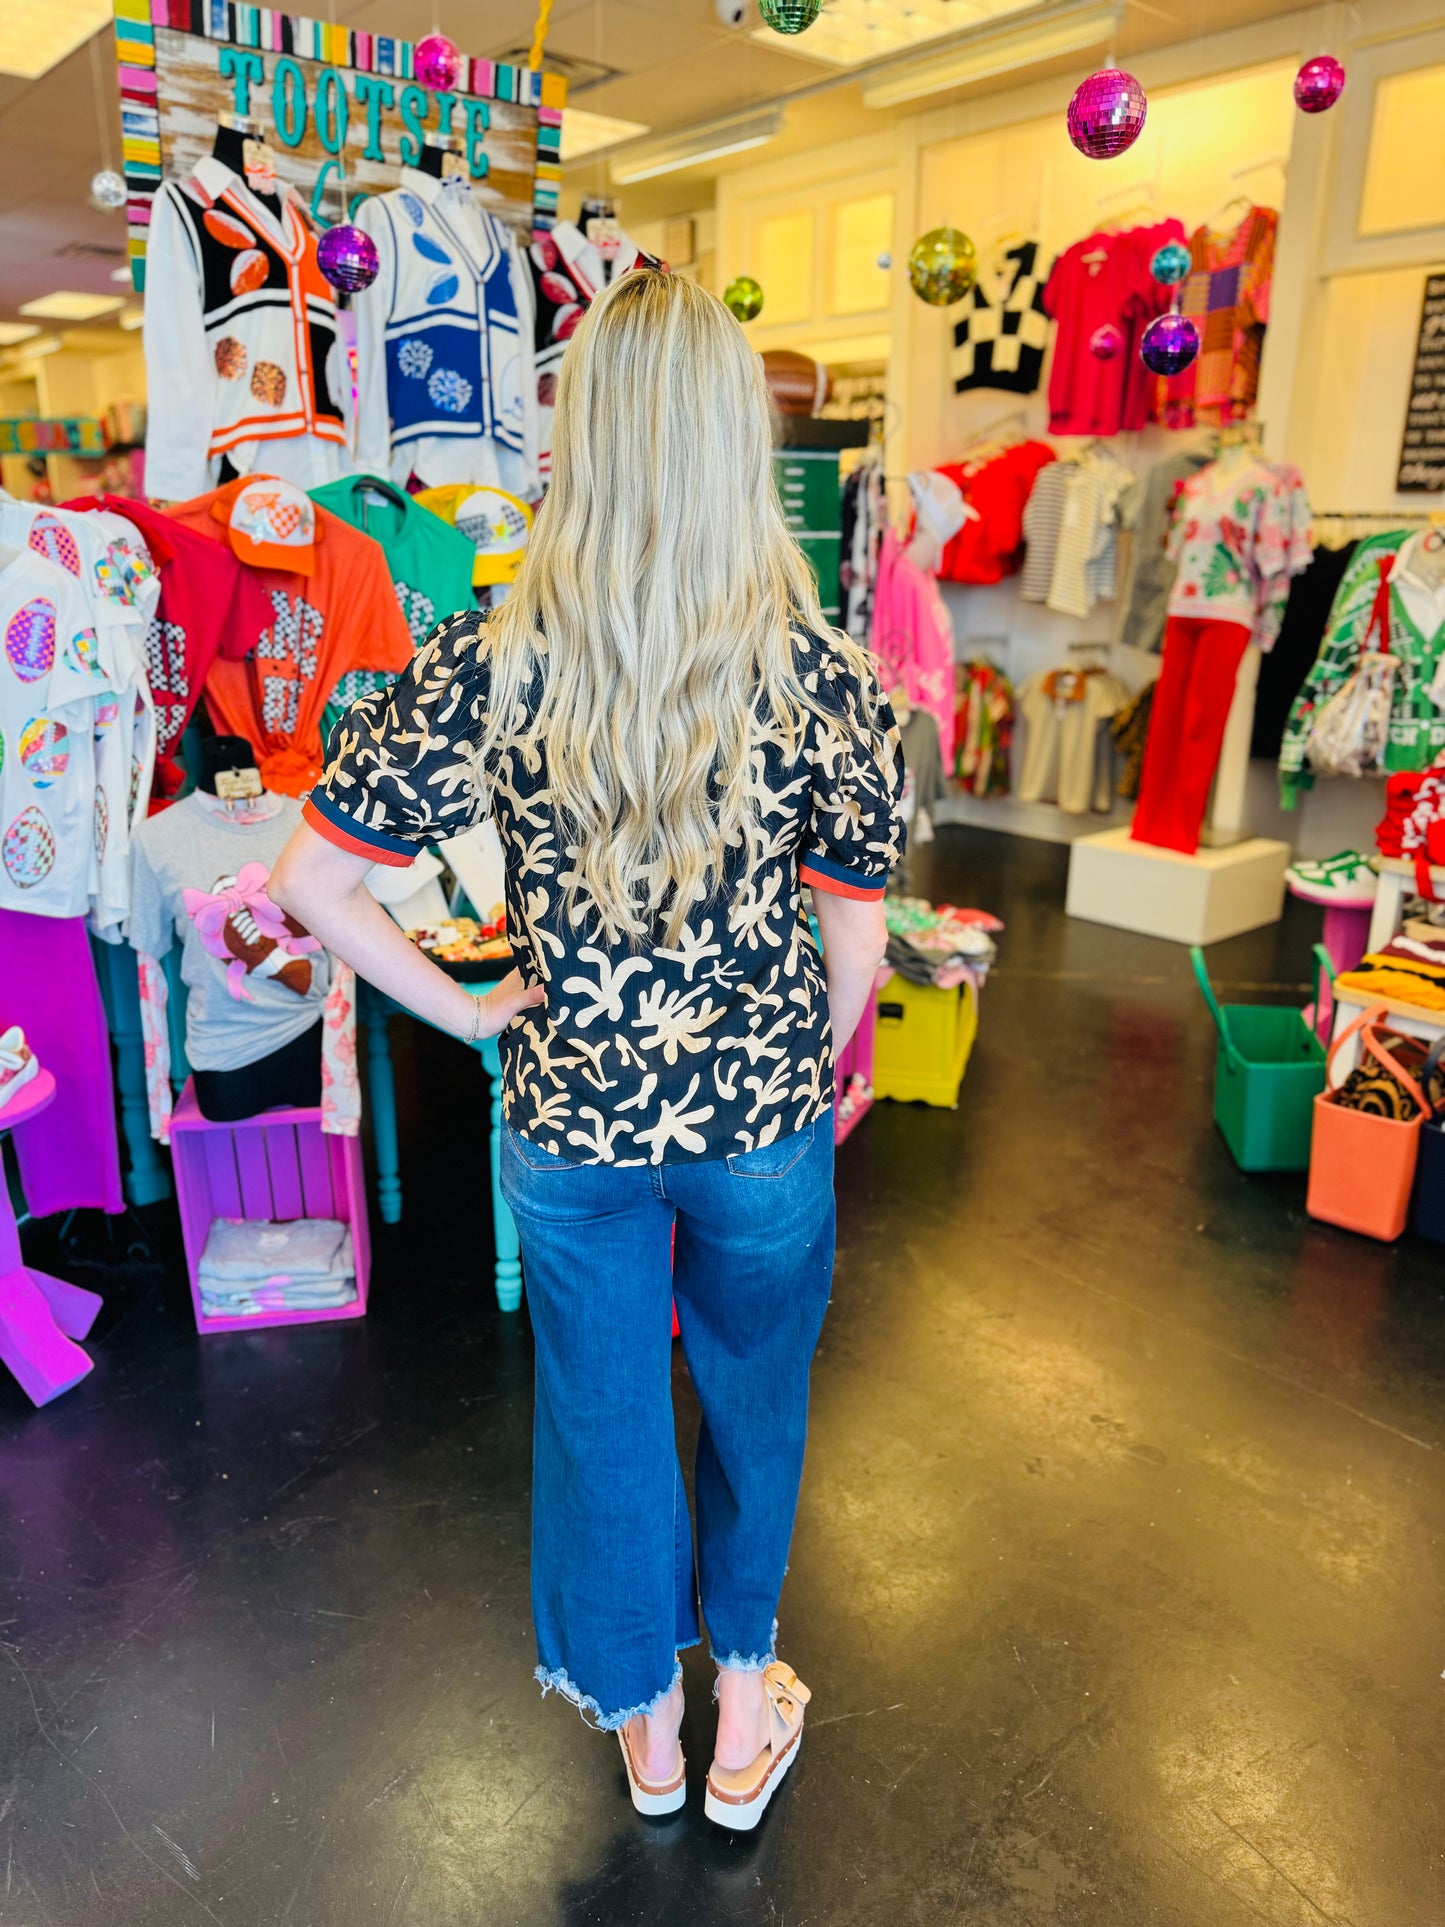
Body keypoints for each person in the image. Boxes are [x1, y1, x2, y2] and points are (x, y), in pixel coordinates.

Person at [270, 267, 904, 1829]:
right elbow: (857, 936)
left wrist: (482, 1008)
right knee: (756, 1400)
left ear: (586, 437)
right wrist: (812, 1063)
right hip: (758, 1120)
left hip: (570, 1121)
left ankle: (649, 1733)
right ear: (730, 445)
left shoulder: (489, 657)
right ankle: (744, 1719)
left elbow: (309, 885)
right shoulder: (824, 675)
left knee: (604, 1413)